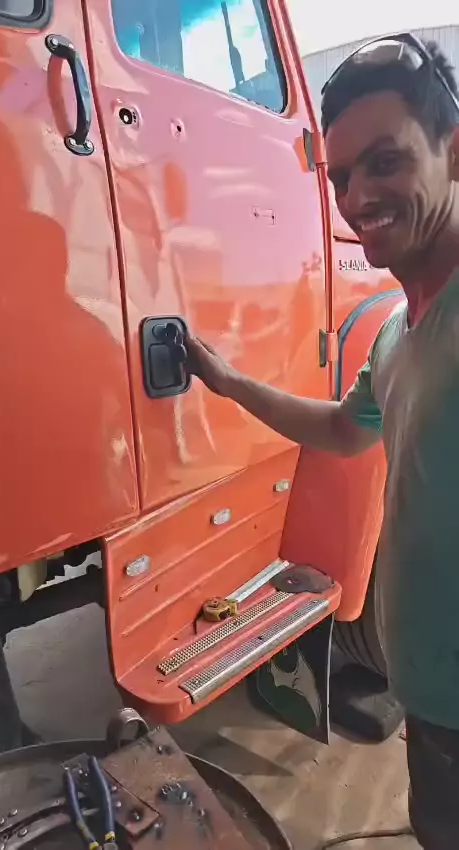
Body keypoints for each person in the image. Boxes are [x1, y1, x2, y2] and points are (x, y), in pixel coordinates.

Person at [186, 34, 459, 850]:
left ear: (452, 150)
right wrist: (230, 382)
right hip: (432, 700)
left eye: (386, 162)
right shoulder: (399, 333)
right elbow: (344, 428)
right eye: (340, 178)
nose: (358, 198)